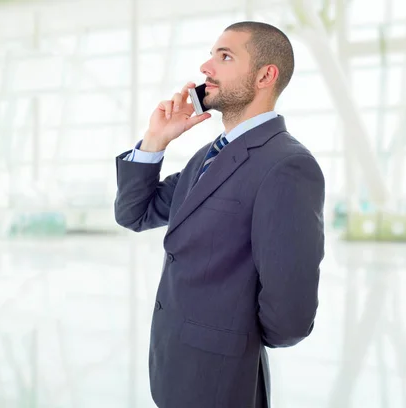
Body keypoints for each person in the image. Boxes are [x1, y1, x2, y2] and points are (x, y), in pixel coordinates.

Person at [114, 21, 325, 408]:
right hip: (174, 369)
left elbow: (290, 317)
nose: (206, 67)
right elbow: (134, 213)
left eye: (224, 56)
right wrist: (155, 140)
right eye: (212, 55)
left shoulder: (287, 166)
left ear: (265, 75)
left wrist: (232, 336)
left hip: (220, 381)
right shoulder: (208, 157)